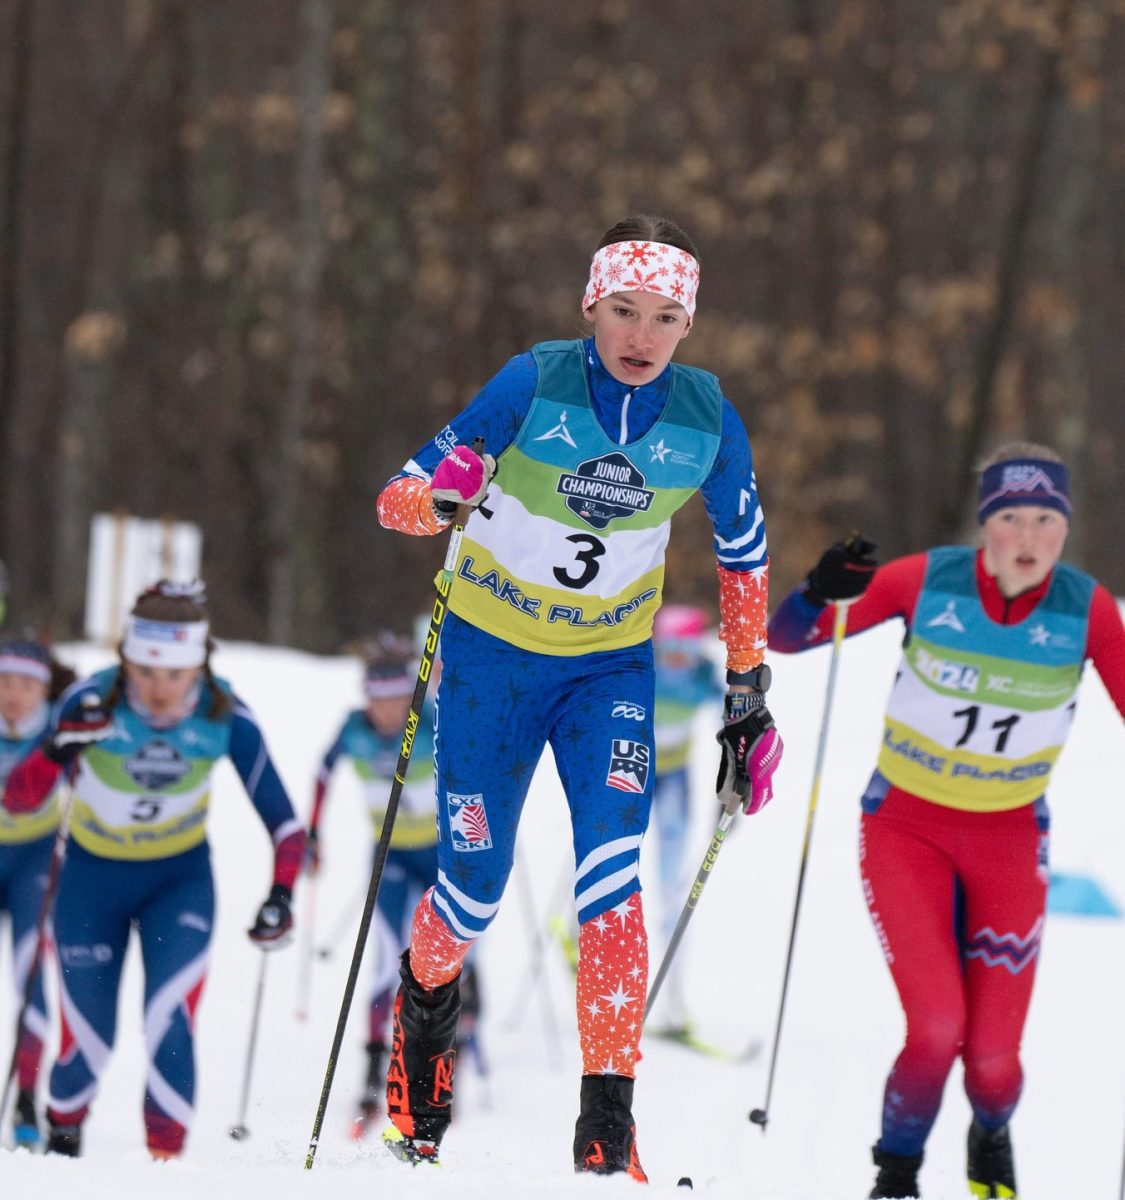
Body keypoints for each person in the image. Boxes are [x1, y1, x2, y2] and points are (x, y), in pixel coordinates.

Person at [374, 213, 783, 1176]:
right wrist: (444, 498)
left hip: (607, 672)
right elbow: (396, 494)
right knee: (470, 895)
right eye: (623, 311)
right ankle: (421, 1054)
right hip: (489, 662)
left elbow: (743, 555)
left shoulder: (706, 417)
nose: (641, 336)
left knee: (611, 878)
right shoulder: (533, 382)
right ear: (589, 308)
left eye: (664, 317)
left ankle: (606, 1128)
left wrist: (746, 690)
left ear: (690, 324)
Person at [768, 444, 1125, 1199]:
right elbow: (789, 636)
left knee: (992, 1060)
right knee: (935, 1028)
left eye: (1044, 521)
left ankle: (988, 1135)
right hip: (906, 831)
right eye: (1009, 519)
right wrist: (815, 590)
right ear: (983, 526)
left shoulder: (1084, 609)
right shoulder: (926, 580)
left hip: (1007, 840)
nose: (1027, 539)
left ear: (1063, 531)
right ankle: (895, 1177)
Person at [2, 581, 305, 1160]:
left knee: (169, 1022)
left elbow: (286, 825)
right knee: (88, 1043)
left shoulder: (226, 714)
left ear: (200, 665)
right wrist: (59, 748)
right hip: (90, 885)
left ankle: (165, 1172)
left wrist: (282, 895)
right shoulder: (90, 704)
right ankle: (62, 1142)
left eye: (174, 675)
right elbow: (17, 799)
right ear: (125, 661)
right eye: (144, 673)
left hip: (178, 882)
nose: (159, 690)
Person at [306, 631, 483, 1138]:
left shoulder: (431, 721)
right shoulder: (354, 729)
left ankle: (458, 1047)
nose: (384, 712)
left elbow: (476, 758)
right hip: (388, 858)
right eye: (376, 700)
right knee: (386, 961)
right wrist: (314, 833)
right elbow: (321, 772)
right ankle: (371, 1070)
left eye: (394, 700)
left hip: (441, 855)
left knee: (454, 955)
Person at [0, 637, 75, 1146]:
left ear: (45, 690)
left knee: (31, 978)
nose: (13, 695)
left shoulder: (56, 731)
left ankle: (27, 1098)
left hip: (33, 863)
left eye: (27, 684)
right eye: (4, 682)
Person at [646, 603, 723, 1037]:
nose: (677, 658)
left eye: (685, 648)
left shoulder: (702, 677)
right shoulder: (645, 666)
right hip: (631, 772)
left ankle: (673, 998)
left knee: (674, 884)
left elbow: (733, 722)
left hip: (673, 778)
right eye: (669, 648)